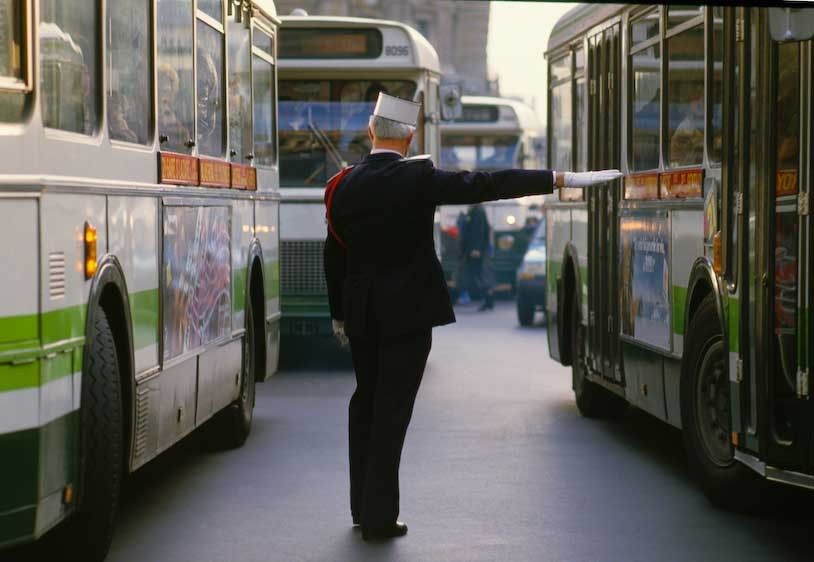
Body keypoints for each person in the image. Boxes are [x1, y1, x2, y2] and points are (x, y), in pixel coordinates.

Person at [323, 92, 621, 541]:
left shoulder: (341, 186)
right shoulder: (418, 179)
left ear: (370, 132)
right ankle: (380, 518)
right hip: (407, 313)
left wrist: (339, 315)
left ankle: (361, 508)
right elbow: (488, 183)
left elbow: (334, 255)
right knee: (392, 411)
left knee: (365, 401)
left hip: (362, 312)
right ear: (411, 134)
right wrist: (558, 178)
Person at [460, 203, 496, 311]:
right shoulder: (476, 210)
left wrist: (476, 249)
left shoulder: (478, 211)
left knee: (480, 274)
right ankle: (488, 300)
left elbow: (479, 231)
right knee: (480, 274)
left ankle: (488, 300)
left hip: (475, 250)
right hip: (475, 250)